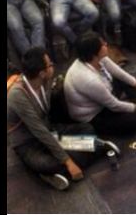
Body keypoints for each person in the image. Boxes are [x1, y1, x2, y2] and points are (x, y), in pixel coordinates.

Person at [8, 47, 115, 191]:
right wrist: (68, 162)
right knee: (51, 163)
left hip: (48, 129)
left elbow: (46, 123)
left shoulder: (45, 80)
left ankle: (70, 160)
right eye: (50, 64)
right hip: (28, 142)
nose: (53, 66)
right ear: (41, 73)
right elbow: (38, 131)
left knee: (87, 128)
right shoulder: (17, 95)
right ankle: (52, 170)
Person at [64, 33, 136, 137]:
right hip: (93, 114)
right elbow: (113, 105)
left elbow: (117, 71)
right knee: (131, 123)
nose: (106, 44)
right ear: (94, 52)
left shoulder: (95, 58)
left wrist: (135, 83)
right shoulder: (89, 80)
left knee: (127, 80)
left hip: (103, 94)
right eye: (103, 45)